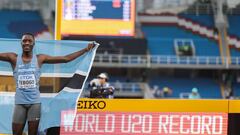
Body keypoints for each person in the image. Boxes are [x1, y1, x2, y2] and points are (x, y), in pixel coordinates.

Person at [0, 33, 95, 135]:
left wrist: (85, 50)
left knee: (32, 133)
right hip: (19, 103)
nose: (27, 43)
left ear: (33, 43)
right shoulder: (13, 58)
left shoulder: (40, 58)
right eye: (24, 41)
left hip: (34, 104)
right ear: (21, 43)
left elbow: (65, 59)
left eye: (29, 41)